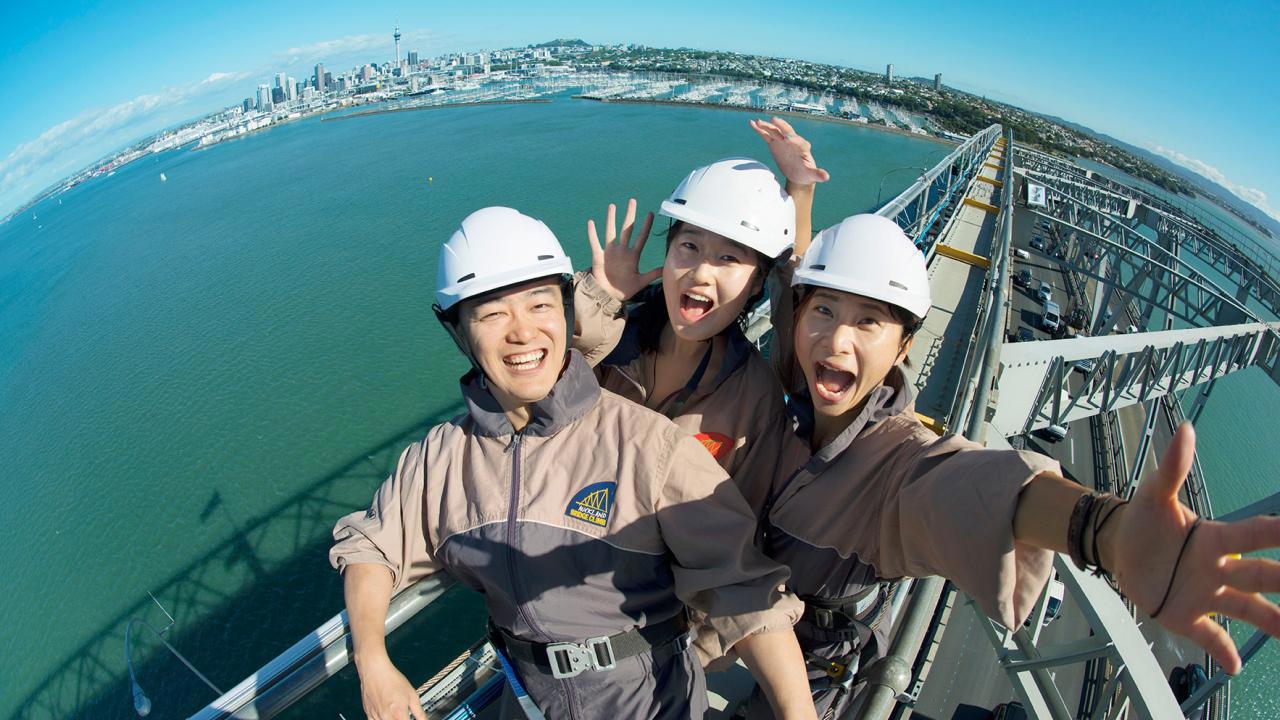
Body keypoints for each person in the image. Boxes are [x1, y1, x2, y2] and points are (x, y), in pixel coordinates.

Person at [744, 212, 1280, 718]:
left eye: (868, 322)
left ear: (904, 347)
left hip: (811, 667)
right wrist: (801, 191)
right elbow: (793, 284)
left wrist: (1106, 531)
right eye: (825, 310)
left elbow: (981, 488)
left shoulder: (896, 465)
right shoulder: (797, 384)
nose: (837, 339)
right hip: (748, 614)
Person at [329, 207, 818, 720]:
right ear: (458, 331)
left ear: (565, 310)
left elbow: (746, 591)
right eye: (492, 314)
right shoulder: (444, 457)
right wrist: (373, 660)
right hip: (524, 696)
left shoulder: (647, 444)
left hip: (647, 698)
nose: (522, 332)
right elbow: (371, 545)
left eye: (540, 305)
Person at [573, 117, 827, 513]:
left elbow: (737, 525)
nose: (701, 273)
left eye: (728, 257)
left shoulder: (753, 398)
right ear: (668, 250)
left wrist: (801, 190)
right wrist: (598, 300)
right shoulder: (608, 340)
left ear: (759, 282)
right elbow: (533, 396)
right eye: (689, 246)